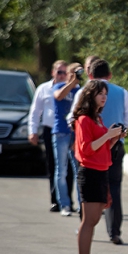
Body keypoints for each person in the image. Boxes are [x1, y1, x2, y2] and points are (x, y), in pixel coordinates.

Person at [73, 80, 124, 254]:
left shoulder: (97, 118)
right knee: (89, 220)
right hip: (90, 172)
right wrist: (107, 135)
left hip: (101, 170)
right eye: (100, 93)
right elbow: (87, 148)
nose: (104, 97)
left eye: (105, 93)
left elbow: (102, 148)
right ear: (90, 96)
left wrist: (113, 138)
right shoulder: (84, 119)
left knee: (94, 219)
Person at [87, 59, 128, 245]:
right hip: (115, 143)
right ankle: (114, 231)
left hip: (93, 145)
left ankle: (86, 226)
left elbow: (73, 117)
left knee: (89, 186)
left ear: (90, 75)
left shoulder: (86, 91)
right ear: (110, 75)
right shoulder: (121, 92)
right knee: (114, 187)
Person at [28, 60, 73, 213]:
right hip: (50, 129)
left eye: (65, 73)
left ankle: (69, 200)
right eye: (59, 72)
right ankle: (56, 201)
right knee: (54, 166)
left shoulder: (73, 89)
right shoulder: (44, 88)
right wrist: (32, 131)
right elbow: (35, 112)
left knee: (71, 167)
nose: (62, 75)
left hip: (69, 131)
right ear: (53, 72)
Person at [52, 62, 83, 217]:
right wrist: (71, 82)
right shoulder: (58, 87)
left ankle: (80, 205)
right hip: (61, 133)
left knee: (78, 171)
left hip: (76, 134)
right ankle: (64, 204)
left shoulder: (80, 91)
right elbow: (59, 97)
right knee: (62, 170)